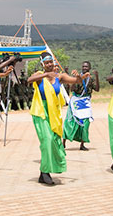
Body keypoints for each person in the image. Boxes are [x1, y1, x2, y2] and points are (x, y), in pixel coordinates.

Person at [27, 52, 81, 185]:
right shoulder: (39, 76)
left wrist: (79, 77)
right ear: (42, 64)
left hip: (54, 113)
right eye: (46, 62)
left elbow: (76, 81)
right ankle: (45, 172)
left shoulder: (59, 76)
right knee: (47, 140)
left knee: (53, 141)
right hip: (41, 112)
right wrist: (46, 75)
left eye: (51, 62)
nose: (49, 64)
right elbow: (29, 80)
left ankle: (43, 172)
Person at [63, 61, 100, 150]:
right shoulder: (77, 77)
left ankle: (82, 144)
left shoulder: (91, 79)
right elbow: (72, 89)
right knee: (70, 121)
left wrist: (97, 76)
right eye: (83, 66)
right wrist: (76, 79)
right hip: (76, 101)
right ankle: (63, 142)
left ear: (89, 68)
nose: (84, 68)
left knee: (85, 123)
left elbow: (97, 89)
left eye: (86, 67)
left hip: (85, 102)